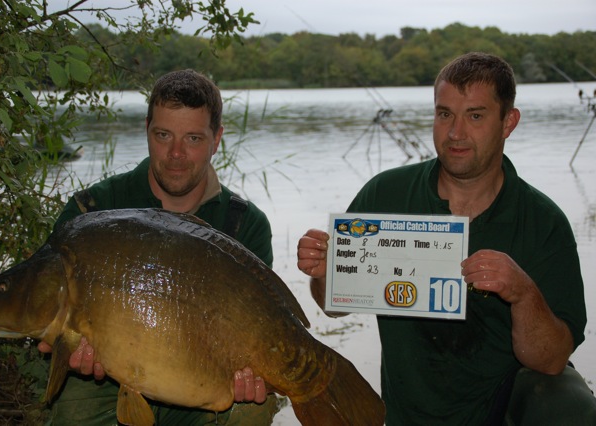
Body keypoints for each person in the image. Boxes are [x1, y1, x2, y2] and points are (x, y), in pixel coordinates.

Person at [295, 52, 596, 425]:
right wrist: (324, 271)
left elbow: (551, 360)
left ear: (508, 122)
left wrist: (523, 293)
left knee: (570, 404)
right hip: (407, 416)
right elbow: (332, 305)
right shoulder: (385, 194)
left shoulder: (543, 221)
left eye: (475, 116)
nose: (456, 133)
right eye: (444, 114)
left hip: (503, 412)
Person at [38, 69, 278, 425]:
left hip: (201, 381)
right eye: (163, 135)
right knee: (73, 403)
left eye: (194, 138)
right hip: (104, 382)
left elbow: (263, 332)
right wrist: (62, 345)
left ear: (217, 139)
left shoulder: (245, 224)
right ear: (147, 129)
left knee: (253, 408)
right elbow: (46, 325)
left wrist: (257, 375)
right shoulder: (92, 211)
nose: (176, 154)